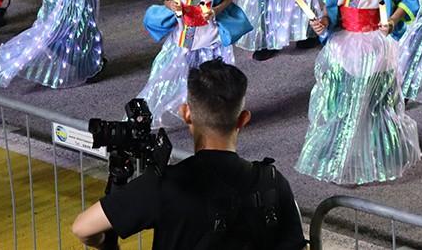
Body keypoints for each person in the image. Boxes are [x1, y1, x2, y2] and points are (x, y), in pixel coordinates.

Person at [72, 60, 306, 249]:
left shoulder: (164, 184)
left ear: (186, 113)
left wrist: (106, 245)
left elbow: (82, 228)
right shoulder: (273, 182)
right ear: (243, 119)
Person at [296, 0, 422, 184]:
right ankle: (340, 157)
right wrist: (323, 22)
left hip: (375, 41)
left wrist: (393, 20)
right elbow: (330, 7)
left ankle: (379, 154)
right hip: (344, 40)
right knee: (340, 101)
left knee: (374, 103)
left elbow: (408, 0)